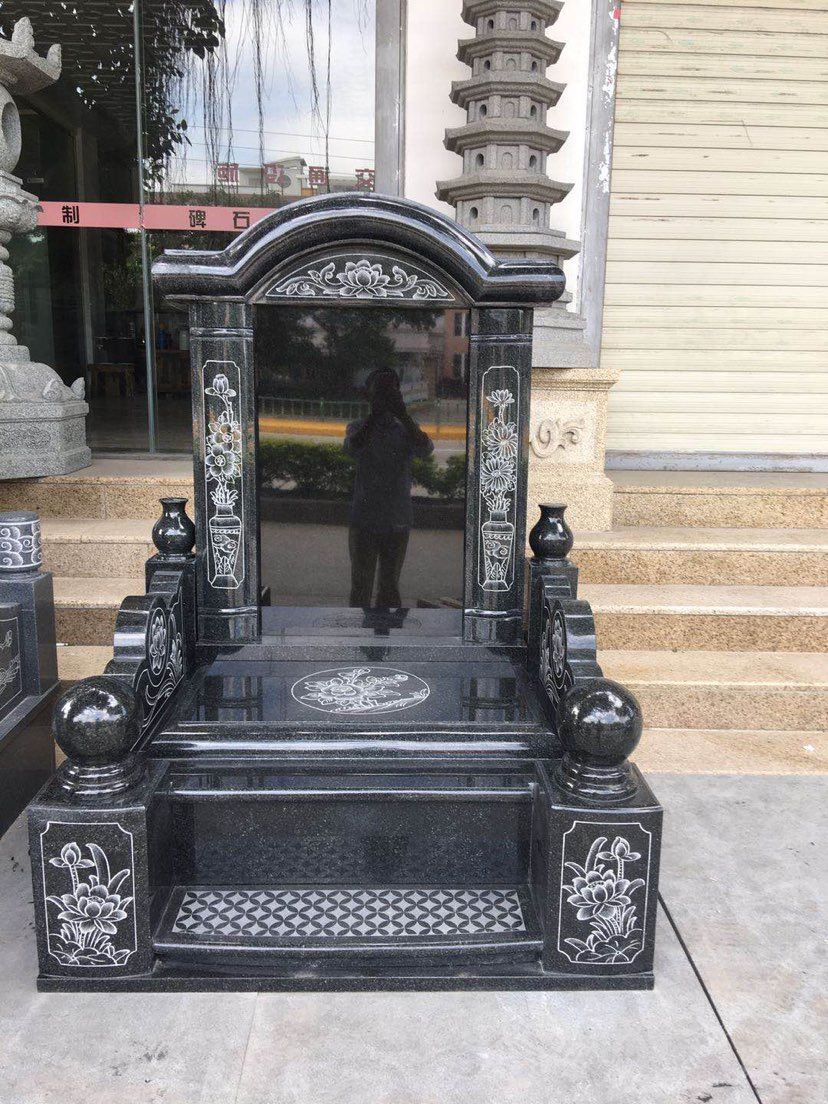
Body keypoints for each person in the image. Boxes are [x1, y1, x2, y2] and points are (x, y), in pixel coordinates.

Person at [343, 367, 433, 608]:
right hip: (365, 518)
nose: (386, 397)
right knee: (360, 586)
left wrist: (403, 415)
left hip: (396, 519)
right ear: (370, 396)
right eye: (380, 392)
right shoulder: (358, 427)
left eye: (390, 391)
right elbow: (351, 448)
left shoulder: (405, 429)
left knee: (390, 587)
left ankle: (388, 630)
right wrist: (374, 416)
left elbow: (425, 449)